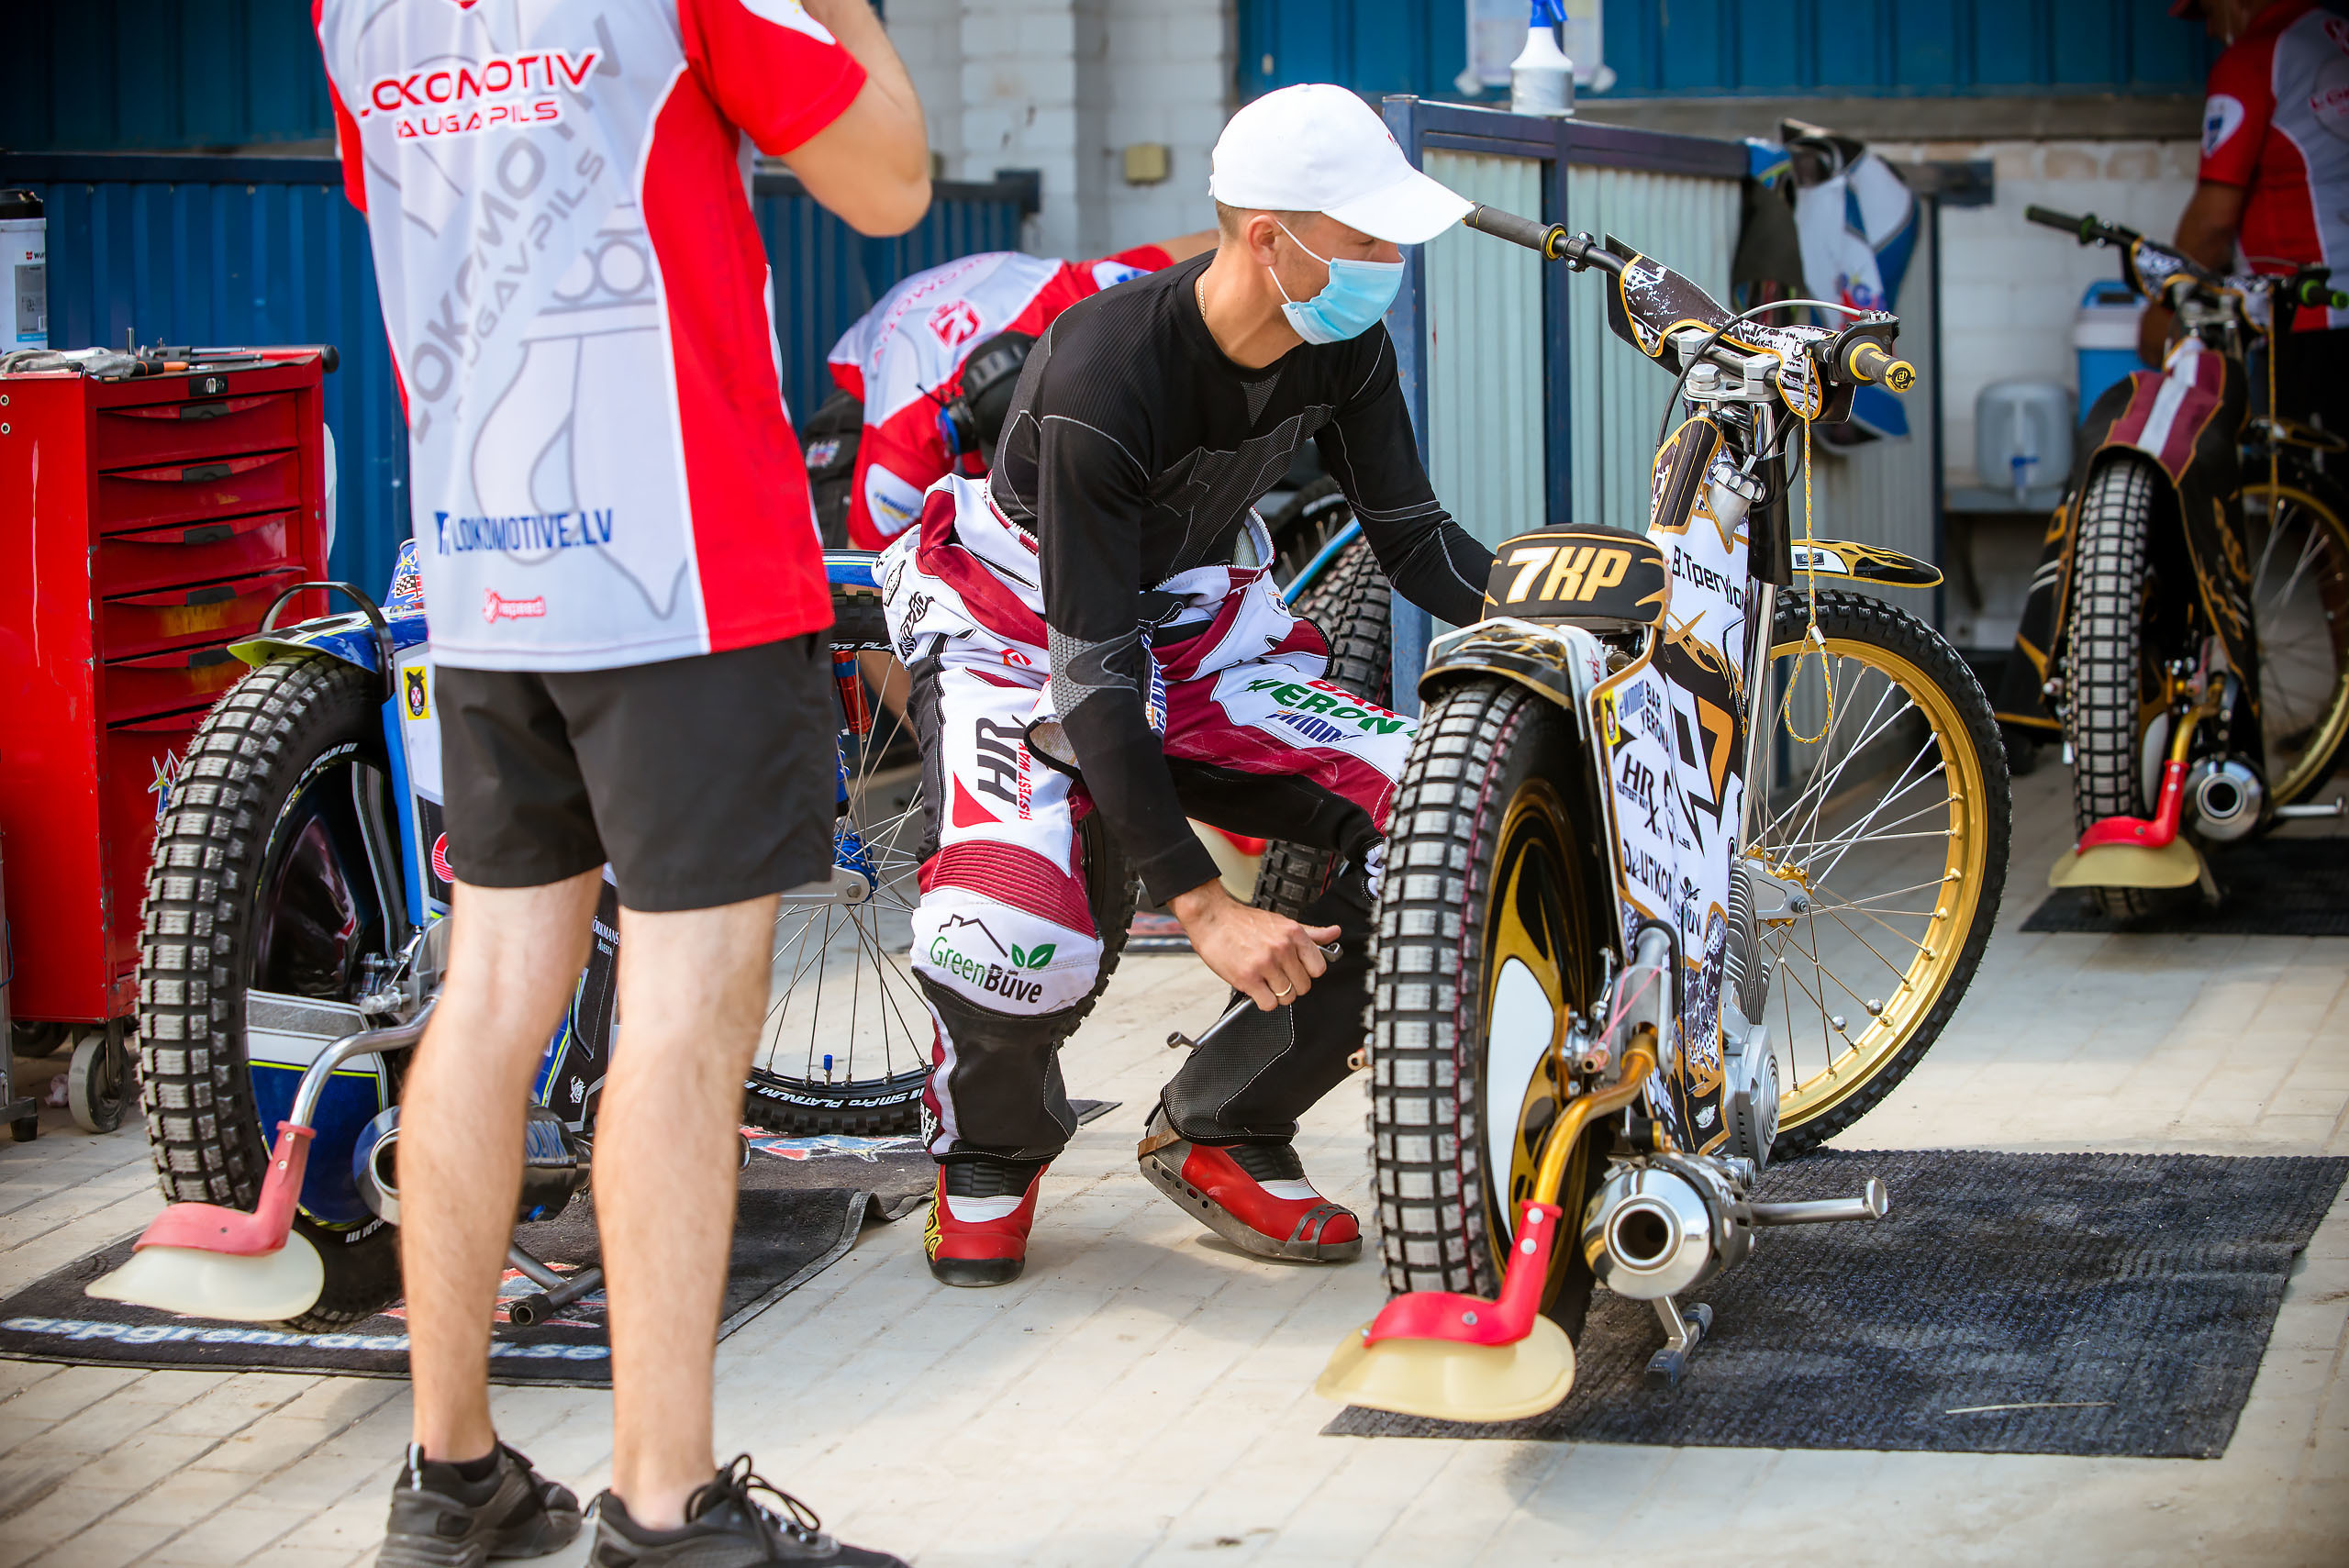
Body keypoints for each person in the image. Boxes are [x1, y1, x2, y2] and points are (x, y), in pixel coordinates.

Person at [312, 2, 928, 1563]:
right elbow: (890, 181)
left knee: (490, 995)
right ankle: (663, 1507)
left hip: (484, 564)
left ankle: (451, 1478)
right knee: (678, 1022)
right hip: (683, 574)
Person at [879, 82, 1495, 1287]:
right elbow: (1094, 675)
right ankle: (991, 1154)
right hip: (1025, 630)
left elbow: (1415, 539)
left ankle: (1224, 1119)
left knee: (1446, 809)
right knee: (1007, 931)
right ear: (1272, 240)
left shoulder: (1342, 344)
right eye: (1369, 239)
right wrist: (1207, 909)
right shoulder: (1105, 369)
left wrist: (1569, 607)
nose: (1392, 264)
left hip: (1194, 623)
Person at [821, 237, 1217, 549]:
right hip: (868, 386)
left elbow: (1213, 246)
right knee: (844, 567)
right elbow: (862, 581)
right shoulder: (903, 444)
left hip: (997, 296)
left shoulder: (1082, 298)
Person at [2144, 0, 2349, 435]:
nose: (2209, 32)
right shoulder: (2334, 35)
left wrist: (2165, 305)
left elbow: (2214, 223)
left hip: (2310, 314)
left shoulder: (2254, 58)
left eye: (2209, 13)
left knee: (2299, 468)